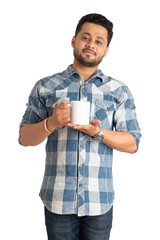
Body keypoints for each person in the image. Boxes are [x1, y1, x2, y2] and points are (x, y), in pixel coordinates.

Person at [19, 13, 141, 240]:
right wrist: (51, 123)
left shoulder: (118, 91)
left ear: (106, 50)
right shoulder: (46, 86)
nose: (91, 45)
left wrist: (98, 132)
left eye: (98, 41)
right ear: (74, 40)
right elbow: (25, 138)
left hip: (99, 202)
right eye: (86, 38)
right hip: (58, 200)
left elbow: (133, 143)